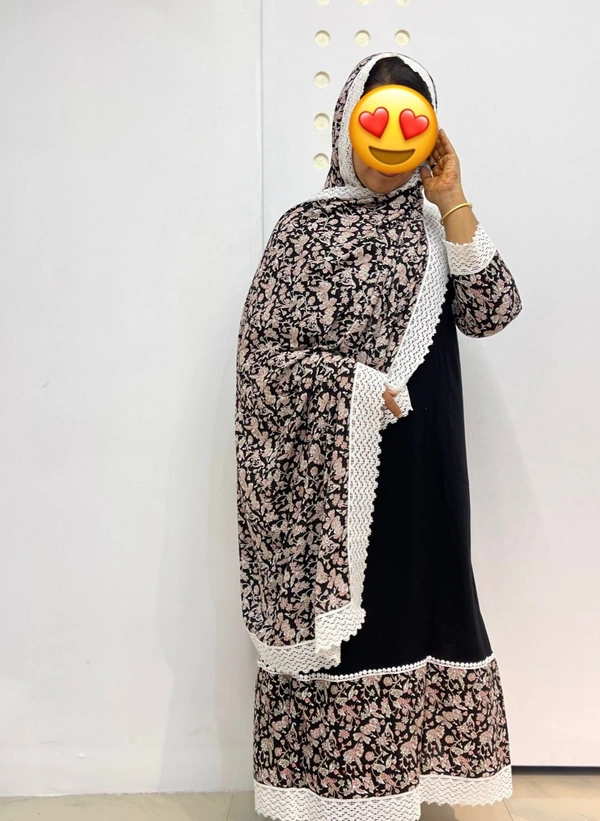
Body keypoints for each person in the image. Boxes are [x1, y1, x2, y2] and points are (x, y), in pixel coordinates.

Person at [234, 51, 522, 821]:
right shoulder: (302, 232)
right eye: (377, 123)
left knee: (422, 609)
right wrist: (353, 388)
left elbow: (493, 310)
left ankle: (402, 788)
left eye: (411, 125)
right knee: (356, 629)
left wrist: (452, 197)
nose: (391, 146)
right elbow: (264, 364)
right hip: (333, 482)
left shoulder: (435, 230)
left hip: (426, 472)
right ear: (346, 129)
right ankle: (334, 797)